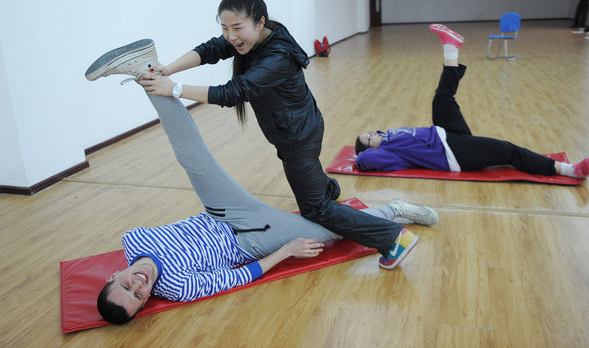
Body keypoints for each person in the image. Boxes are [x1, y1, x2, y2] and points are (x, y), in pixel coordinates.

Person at [86, 41, 440, 325]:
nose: (138, 285)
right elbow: (238, 278)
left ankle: (146, 70)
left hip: (219, 211)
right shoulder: (178, 287)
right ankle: (394, 210)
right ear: (146, 301)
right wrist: (285, 252)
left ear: (114, 275)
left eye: (126, 285)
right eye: (138, 297)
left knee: (192, 157)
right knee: (328, 232)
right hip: (250, 237)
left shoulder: (133, 240)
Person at [111, 0, 421, 270]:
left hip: (298, 136)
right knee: (316, 197)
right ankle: (330, 193)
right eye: (225, 28)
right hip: (298, 130)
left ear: (260, 22)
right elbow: (210, 49)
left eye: (237, 28)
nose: (231, 36)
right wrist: (168, 69)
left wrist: (173, 89)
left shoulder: (276, 57)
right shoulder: (256, 37)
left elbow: (233, 92)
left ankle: (394, 237)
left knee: (317, 211)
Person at [354, 24, 589, 180]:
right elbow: (365, 161)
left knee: (442, 97)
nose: (374, 133)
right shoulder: (388, 153)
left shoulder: (389, 137)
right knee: (510, 151)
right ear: (371, 147)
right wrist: (364, 154)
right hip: (455, 153)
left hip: (445, 133)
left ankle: (451, 47)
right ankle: (570, 170)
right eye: (369, 137)